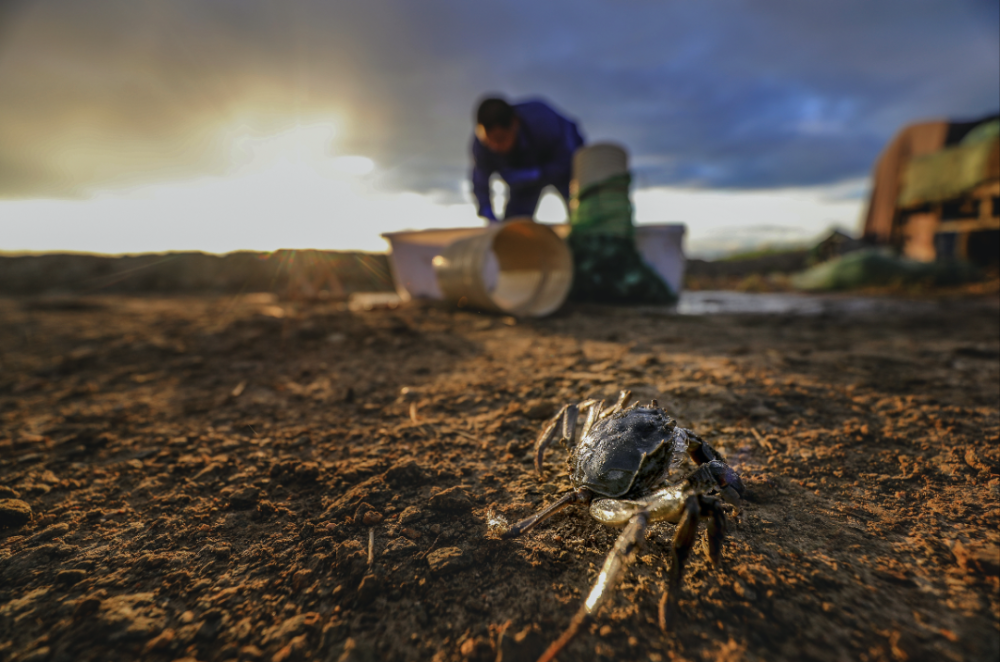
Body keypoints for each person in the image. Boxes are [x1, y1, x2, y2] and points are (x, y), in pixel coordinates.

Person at [471, 96, 585, 222]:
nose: (494, 147)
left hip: (566, 167)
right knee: (514, 228)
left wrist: (534, 174)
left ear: (515, 124)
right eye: (488, 141)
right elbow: (480, 182)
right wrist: (489, 216)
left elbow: (569, 160)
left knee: (583, 216)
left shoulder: (543, 120)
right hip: (524, 182)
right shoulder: (482, 145)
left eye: (500, 139)